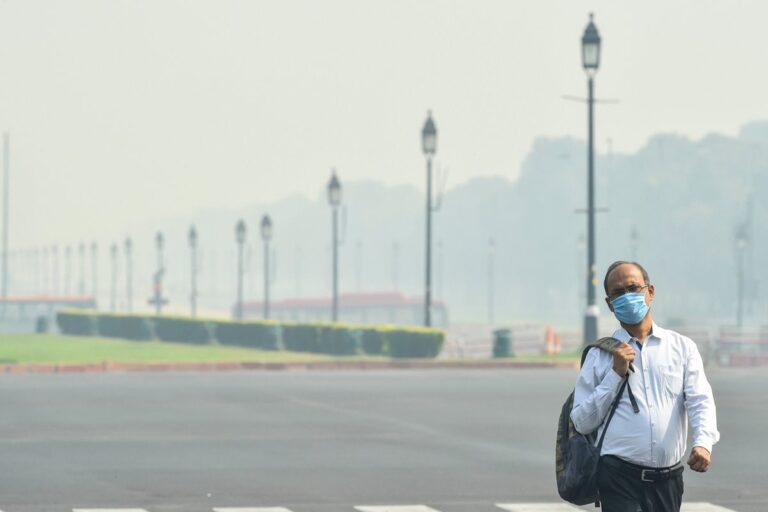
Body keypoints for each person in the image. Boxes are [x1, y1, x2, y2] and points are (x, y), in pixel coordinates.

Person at [571, 261, 719, 512]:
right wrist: (614, 375)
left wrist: (703, 443)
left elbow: (700, 400)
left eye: (633, 288)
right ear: (609, 304)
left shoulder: (681, 348)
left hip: (668, 480)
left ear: (650, 291)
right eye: (618, 293)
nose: (627, 297)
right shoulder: (599, 356)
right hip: (618, 477)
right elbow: (582, 422)